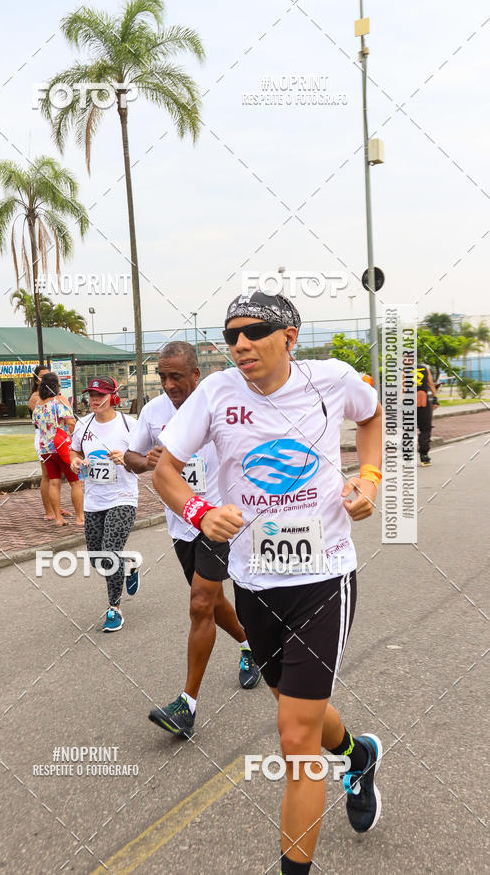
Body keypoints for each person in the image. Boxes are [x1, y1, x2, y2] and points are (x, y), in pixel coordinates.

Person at [152, 292, 384, 872]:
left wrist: (370, 478)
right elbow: (164, 471)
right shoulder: (216, 393)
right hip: (254, 582)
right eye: (232, 335)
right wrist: (201, 512)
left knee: (294, 737)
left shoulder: (330, 380)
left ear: (290, 336)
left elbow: (374, 413)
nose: (241, 344)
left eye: (256, 332)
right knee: (294, 707)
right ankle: (358, 755)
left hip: (324, 576)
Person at [124, 341, 261, 739]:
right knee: (214, 604)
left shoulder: (216, 406)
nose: (168, 384)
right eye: (163, 377)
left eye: (176, 377)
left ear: (195, 376)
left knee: (200, 603)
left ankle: (187, 705)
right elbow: (131, 457)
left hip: (216, 520)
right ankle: (249, 644)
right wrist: (148, 460)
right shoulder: (152, 413)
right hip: (180, 523)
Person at [70, 377, 139, 632]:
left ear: (113, 395)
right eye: (91, 394)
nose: (94, 399)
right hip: (94, 500)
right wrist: (75, 462)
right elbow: (74, 451)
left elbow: (145, 460)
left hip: (123, 497)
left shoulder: (129, 425)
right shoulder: (83, 425)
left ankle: (114, 608)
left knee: (109, 552)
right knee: (97, 558)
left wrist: (126, 459)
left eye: (100, 394)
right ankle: (129, 564)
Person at [32, 372, 84, 526]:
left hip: (46, 449)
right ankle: (80, 517)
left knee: (54, 483)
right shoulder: (58, 402)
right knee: (75, 482)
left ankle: (58, 518)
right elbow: (71, 422)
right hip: (62, 448)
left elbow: (36, 423)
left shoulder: (38, 405)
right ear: (55, 386)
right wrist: (73, 437)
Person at [28, 366, 71, 522]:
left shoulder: (55, 397)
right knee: (48, 475)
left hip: (57, 437)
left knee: (55, 476)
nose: (45, 379)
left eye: (48, 375)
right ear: (36, 379)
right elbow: (44, 419)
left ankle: (56, 508)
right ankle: (49, 511)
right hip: (45, 436)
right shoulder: (36, 398)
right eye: (42, 376)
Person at [416, 363, 438, 466]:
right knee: (425, 429)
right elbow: (431, 383)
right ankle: (424, 455)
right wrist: (435, 398)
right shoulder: (424, 368)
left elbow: (401, 389)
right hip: (422, 401)